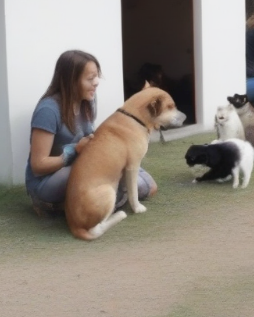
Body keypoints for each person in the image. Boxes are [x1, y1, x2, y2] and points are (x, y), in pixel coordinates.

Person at [25, 50, 157, 217]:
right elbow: (38, 165)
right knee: (123, 183)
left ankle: (85, 202)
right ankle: (54, 205)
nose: (96, 83)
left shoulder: (87, 100)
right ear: (70, 81)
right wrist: (74, 151)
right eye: (90, 78)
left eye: (96, 76)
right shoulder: (48, 111)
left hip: (83, 165)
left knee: (148, 186)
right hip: (49, 181)